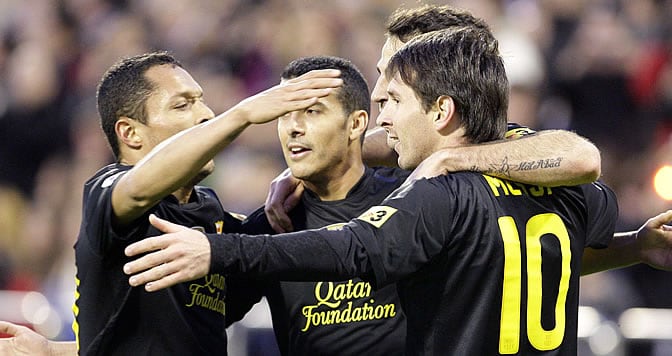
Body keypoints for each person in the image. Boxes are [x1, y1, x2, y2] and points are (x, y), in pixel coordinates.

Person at [123, 27, 626, 354]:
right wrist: (635, 247)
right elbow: (538, 245)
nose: (384, 116)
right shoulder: (570, 193)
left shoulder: (433, 193)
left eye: (395, 99)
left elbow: (356, 246)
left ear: (441, 110)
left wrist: (216, 248)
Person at [47, 51, 341, 355]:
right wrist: (242, 114)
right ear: (130, 133)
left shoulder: (209, 211)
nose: (206, 114)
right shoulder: (108, 192)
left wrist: (296, 181)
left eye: (201, 100)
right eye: (182, 105)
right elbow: (136, 189)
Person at [265, 4, 602, 234]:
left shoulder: (514, 161)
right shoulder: (393, 161)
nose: (378, 92)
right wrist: (323, 159)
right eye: (381, 74)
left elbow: (581, 158)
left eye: (395, 80)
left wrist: (451, 158)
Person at [224, 55, 410, 355]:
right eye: (285, 113)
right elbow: (203, 320)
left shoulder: (410, 200)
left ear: (356, 124)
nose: (293, 127)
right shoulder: (270, 225)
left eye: (312, 111)